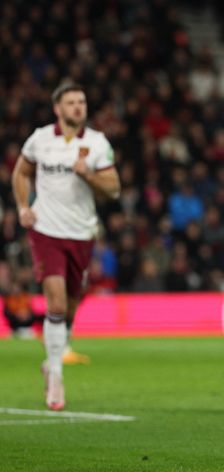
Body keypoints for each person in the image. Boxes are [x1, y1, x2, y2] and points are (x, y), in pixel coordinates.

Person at [12, 82, 121, 410]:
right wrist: (22, 208)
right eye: (71, 102)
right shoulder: (40, 139)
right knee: (56, 302)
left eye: (82, 101)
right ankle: (56, 373)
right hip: (46, 230)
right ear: (58, 108)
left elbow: (113, 189)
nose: (78, 107)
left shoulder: (98, 143)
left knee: (70, 306)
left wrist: (88, 174)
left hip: (82, 233)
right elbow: (20, 173)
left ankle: (53, 358)